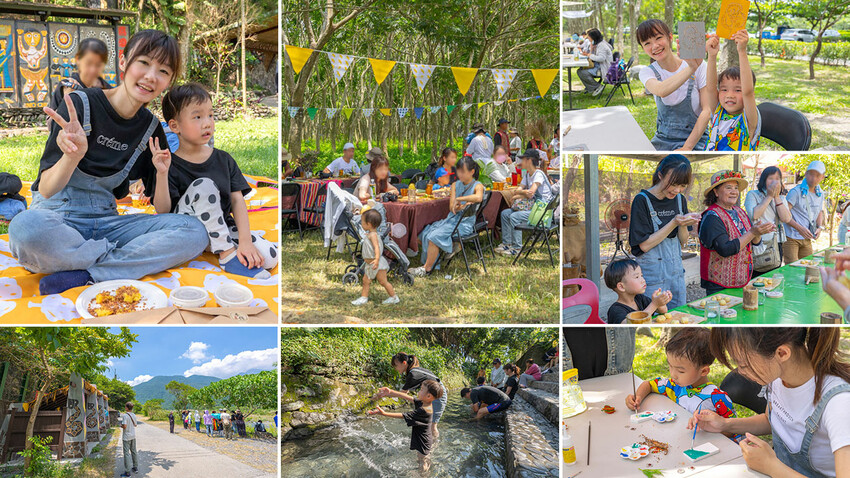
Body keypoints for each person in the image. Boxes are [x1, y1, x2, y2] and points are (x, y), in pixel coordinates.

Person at [8, 30, 208, 295]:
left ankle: (88, 273)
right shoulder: (79, 105)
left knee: (193, 230)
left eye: (163, 71)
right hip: (58, 217)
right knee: (25, 228)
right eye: (144, 63)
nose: (151, 76)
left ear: (168, 81)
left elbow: (162, 210)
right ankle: (115, 261)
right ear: (124, 63)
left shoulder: (150, 129)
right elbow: (45, 189)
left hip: (107, 224)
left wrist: (162, 174)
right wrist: (72, 156)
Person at [148, 83, 277, 279]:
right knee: (204, 185)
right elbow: (163, 211)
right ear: (175, 126)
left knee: (269, 258)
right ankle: (225, 254)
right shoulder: (170, 164)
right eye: (197, 117)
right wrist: (162, 174)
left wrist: (245, 242)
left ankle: (218, 245)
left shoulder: (224, 159)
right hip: (188, 230)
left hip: (222, 226)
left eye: (210, 115)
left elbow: (237, 201)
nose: (207, 123)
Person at [691, 328, 850, 477]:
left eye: (743, 365)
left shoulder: (839, 404)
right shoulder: (779, 377)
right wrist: (725, 424)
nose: (740, 372)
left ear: (781, 353)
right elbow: (772, 419)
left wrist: (772, 466)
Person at [626, 329, 738, 425]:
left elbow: (733, 429)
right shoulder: (674, 386)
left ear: (703, 371)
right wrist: (638, 397)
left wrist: (711, 427)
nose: (673, 375)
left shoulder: (718, 398)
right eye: (670, 366)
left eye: (680, 371)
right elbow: (649, 384)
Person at [628, 155, 698, 308]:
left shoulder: (680, 200)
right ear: (660, 175)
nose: (677, 190)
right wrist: (674, 222)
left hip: (676, 272)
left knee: (679, 314)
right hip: (652, 276)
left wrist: (685, 224)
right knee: (654, 316)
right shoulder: (642, 200)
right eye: (673, 184)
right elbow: (644, 246)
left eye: (682, 185)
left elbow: (683, 241)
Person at [636, 19, 711, 150]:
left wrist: (687, 147)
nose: (655, 46)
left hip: (697, 140)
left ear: (670, 37)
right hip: (663, 140)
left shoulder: (701, 65)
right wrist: (691, 68)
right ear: (643, 48)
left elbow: (707, 110)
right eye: (647, 43)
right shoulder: (647, 72)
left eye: (659, 38)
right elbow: (661, 90)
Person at [699, 170, 774, 295]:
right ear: (716, 192)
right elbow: (725, 249)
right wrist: (752, 233)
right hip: (719, 285)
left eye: (736, 188)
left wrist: (758, 232)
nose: (734, 192)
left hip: (742, 280)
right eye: (728, 188)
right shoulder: (712, 216)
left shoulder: (739, 211)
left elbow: (752, 242)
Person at [411, 157, 485, 276]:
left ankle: (427, 268)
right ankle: (437, 260)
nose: (460, 174)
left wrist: (460, 199)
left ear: (471, 172)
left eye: (463, 171)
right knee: (423, 233)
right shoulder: (455, 185)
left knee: (434, 236)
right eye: (459, 171)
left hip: (464, 224)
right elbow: (451, 207)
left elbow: (478, 197)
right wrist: (456, 207)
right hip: (451, 220)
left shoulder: (477, 185)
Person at [369, 379, 444, 472]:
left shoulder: (424, 410)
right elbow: (409, 397)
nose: (418, 391)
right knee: (422, 458)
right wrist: (391, 392)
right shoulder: (424, 402)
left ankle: (423, 475)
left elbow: (403, 415)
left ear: (428, 396)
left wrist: (384, 413)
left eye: (421, 390)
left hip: (423, 442)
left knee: (422, 460)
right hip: (424, 438)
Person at [704, 31, 761, 151]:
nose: (729, 95)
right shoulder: (718, 111)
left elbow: (748, 92)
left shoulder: (748, 119)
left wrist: (742, 51)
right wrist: (712, 56)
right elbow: (710, 88)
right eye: (724, 89)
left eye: (738, 90)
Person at [371, 352, 449, 439]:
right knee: (427, 423)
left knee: (432, 425)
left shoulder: (413, 374)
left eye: (396, 365)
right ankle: (428, 441)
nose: (395, 368)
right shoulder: (413, 371)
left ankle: (433, 445)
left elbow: (403, 393)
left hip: (438, 395)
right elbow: (404, 394)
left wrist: (381, 396)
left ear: (404, 363)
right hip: (435, 391)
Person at [496, 149, 555, 256]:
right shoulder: (528, 175)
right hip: (534, 208)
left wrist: (519, 193)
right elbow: (520, 190)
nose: (520, 162)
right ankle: (507, 243)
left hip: (543, 212)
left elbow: (530, 193)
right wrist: (520, 193)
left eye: (523, 159)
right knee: (505, 214)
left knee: (515, 216)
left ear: (529, 160)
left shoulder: (538, 174)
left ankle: (517, 248)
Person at [744, 166, 791, 275]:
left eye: (777, 178)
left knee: (773, 275)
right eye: (771, 178)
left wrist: (777, 197)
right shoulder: (753, 194)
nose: (774, 181)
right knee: (757, 274)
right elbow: (754, 215)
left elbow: (786, 219)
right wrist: (769, 196)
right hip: (758, 242)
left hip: (776, 243)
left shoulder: (782, 198)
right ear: (764, 180)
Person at [47, 38, 112, 113]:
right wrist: (66, 101)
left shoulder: (107, 89)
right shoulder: (66, 86)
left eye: (98, 65)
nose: (93, 70)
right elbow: (52, 121)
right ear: (78, 59)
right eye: (89, 63)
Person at [351, 208, 399, 306]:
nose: (361, 224)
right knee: (366, 281)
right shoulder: (371, 234)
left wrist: (377, 259)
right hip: (370, 264)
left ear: (368, 224)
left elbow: (377, 248)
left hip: (376, 264)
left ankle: (394, 297)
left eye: (363, 222)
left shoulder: (373, 236)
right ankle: (364, 297)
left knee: (383, 282)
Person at [603, 258, 673, 324]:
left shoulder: (640, 299)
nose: (643, 280)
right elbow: (632, 327)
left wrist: (661, 302)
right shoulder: (615, 311)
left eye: (641, 275)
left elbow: (663, 311)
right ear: (621, 287)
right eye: (637, 277)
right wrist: (654, 304)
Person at [784, 160, 826, 263]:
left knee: (808, 266)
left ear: (822, 177)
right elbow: (784, 215)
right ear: (806, 174)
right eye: (811, 174)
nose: (814, 178)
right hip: (791, 237)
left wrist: (819, 227)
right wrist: (799, 228)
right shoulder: (795, 192)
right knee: (792, 268)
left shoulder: (820, 193)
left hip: (807, 238)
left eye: (817, 175)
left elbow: (819, 211)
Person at [577, 28, 614, 96]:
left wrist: (589, 55)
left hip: (603, 68)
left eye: (589, 37)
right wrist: (591, 48)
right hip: (598, 65)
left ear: (593, 37)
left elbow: (601, 58)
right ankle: (591, 88)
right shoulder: (598, 44)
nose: (588, 38)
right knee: (580, 70)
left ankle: (597, 86)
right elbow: (595, 55)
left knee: (582, 72)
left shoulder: (602, 46)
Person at [120, 402, 138, 477]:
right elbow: (135, 425)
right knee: (134, 451)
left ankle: (127, 472)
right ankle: (135, 467)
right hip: (133, 436)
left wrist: (121, 425)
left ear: (127, 408)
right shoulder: (134, 415)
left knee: (126, 454)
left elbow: (124, 426)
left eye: (125, 406)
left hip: (126, 437)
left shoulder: (125, 416)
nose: (125, 408)